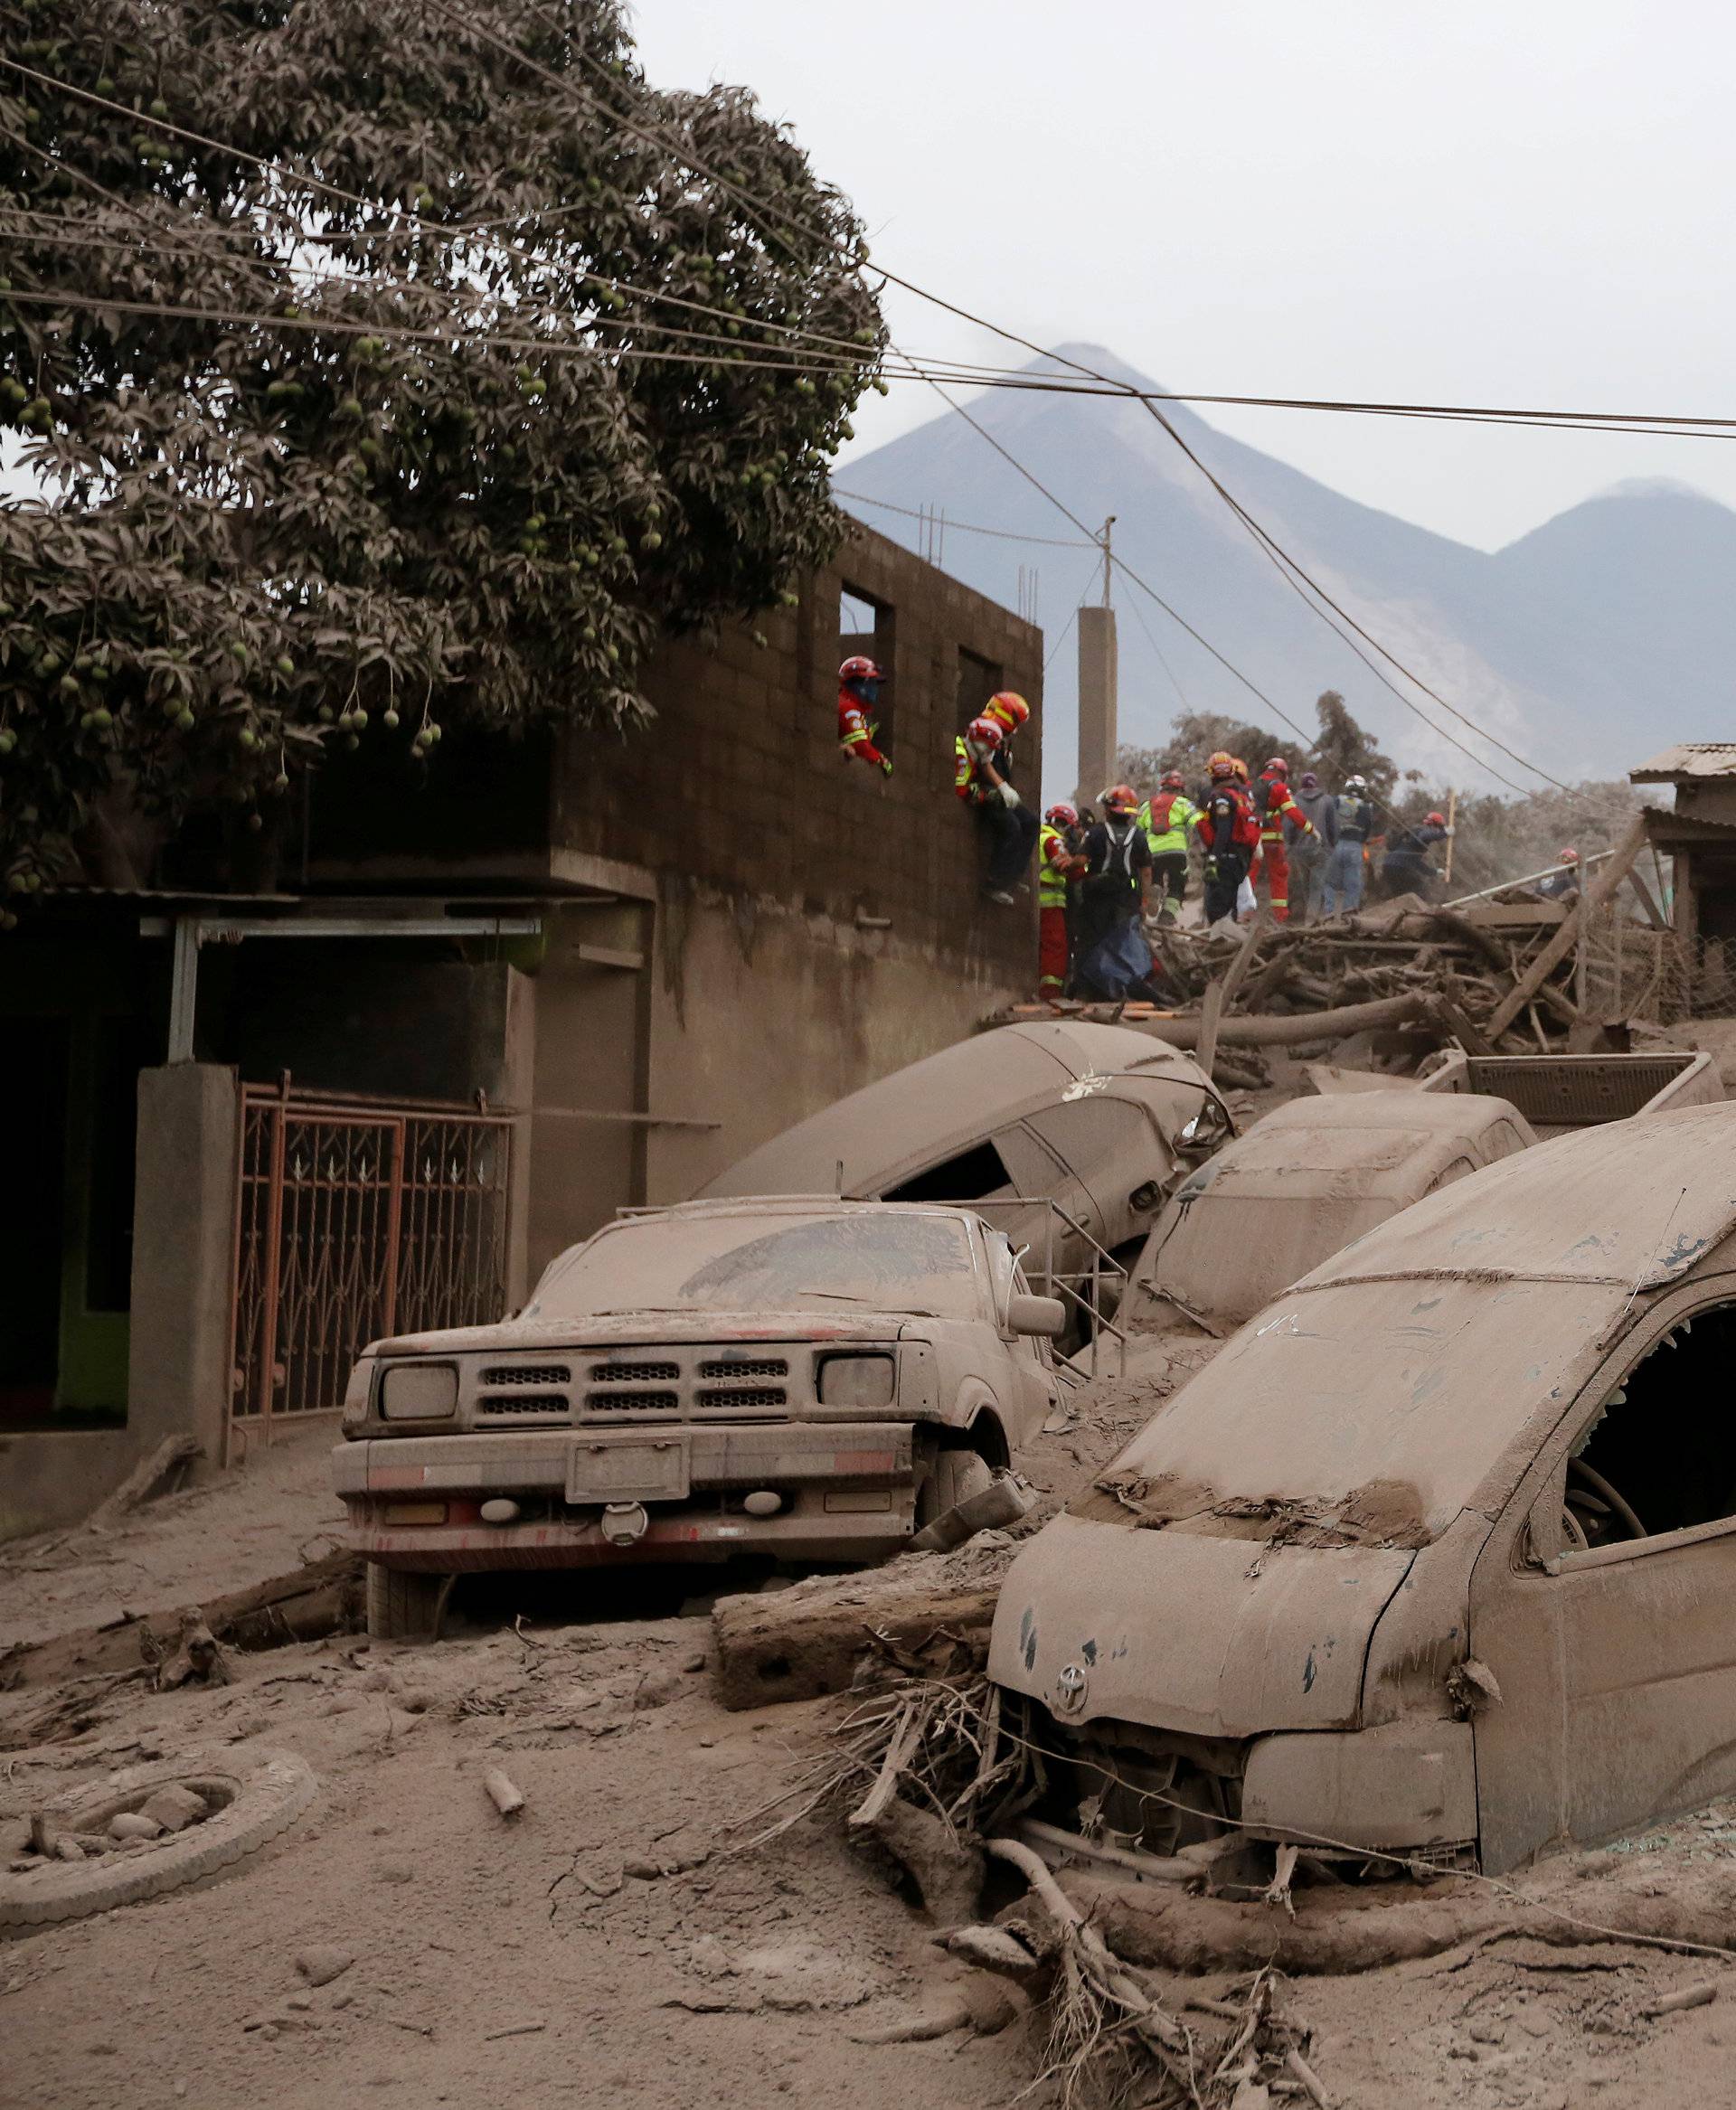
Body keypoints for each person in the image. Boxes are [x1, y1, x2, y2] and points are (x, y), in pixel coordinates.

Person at [1074, 785, 1157, 998]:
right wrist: (1144, 902)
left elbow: (1081, 861)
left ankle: (1085, 990)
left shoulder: (1096, 832)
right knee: (1123, 944)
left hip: (1097, 898)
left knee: (1089, 941)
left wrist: (1066, 862)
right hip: (1127, 900)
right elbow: (1146, 873)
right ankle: (1121, 989)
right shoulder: (1138, 835)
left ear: (1109, 809)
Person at [954, 714, 1039, 904]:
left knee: (1030, 822)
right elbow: (963, 789)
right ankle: (994, 883)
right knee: (1012, 827)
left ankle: (1012, 877)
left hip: (989, 794)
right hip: (982, 798)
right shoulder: (962, 754)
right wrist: (991, 794)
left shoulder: (984, 747)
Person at [1191, 751, 1261, 928]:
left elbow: (1223, 830)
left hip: (1225, 859)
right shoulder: (1242, 796)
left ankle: (1218, 946)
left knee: (1217, 910)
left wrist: (1214, 858)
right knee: (1232, 907)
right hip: (1240, 859)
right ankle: (1231, 945)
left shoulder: (1221, 798)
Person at [1250, 756, 1315, 924]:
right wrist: (1310, 829)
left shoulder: (1252, 786)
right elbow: (1293, 813)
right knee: (1279, 876)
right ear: (1282, 772)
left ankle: (1243, 913)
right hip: (1273, 841)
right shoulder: (1279, 787)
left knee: (1250, 875)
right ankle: (1280, 917)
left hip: (1253, 840)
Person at [1038, 803, 1086, 1001]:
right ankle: (1051, 993)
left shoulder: (1039, 836)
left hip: (1038, 901)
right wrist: (1083, 868)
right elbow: (1063, 866)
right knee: (1055, 945)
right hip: (1050, 902)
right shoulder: (1053, 840)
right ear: (1063, 823)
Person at [1138, 768, 1196, 925]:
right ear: (1180, 789)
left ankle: (1155, 889)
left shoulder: (1146, 806)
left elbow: (1138, 829)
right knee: (1177, 883)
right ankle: (1167, 915)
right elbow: (1197, 822)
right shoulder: (1183, 803)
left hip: (1152, 852)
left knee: (1155, 877)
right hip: (1177, 851)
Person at [1322, 774, 1379, 917]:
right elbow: (1368, 828)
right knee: (1353, 885)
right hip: (1355, 846)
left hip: (1335, 845)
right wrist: (1361, 840)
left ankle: (1329, 914)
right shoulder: (1366, 807)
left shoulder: (1336, 801)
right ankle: (1349, 917)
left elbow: (1327, 820)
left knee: (1330, 882)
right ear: (1363, 790)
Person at [1288, 768, 1337, 923]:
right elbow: (1333, 827)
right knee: (1317, 887)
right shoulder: (1327, 800)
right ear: (1316, 785)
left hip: (1300, 851)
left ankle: (1308, 919)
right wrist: (1332, 845)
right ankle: (1311, 921)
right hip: (1321, 850)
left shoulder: (1294, 801)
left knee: (1305, 886)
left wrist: (1290, 845)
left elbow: (1289, 826)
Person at [837, 655, 892, 775]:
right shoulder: (848, 708)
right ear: (854, 683)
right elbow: (860, 746)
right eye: (870, 683)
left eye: (875, 683)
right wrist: (883, 761)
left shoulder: (854, 708)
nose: (874, 689)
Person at [1381, 810, 1454, 900]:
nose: (1439, 830)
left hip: (1388, 865)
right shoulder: (1423, 831)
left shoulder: (1411, 836)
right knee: (1420, 889)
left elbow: (1416, 863)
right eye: (1440, 828)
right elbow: (1426, 836)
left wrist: (1434, 872)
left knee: (1400, 894)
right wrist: (1445, 833)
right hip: (1400, 867)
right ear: (1434, 825)